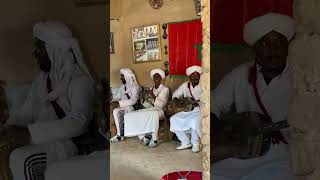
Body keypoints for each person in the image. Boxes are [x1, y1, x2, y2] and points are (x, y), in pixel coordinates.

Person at [1, 21, 94, 180]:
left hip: (64, 144)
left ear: (53, 49)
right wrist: (6, 121)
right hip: (38, 141)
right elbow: (26, 114)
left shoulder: (80, 80)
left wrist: (29, 133)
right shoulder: (42, 80)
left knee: (22, 160)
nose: (35, 53)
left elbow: (79, 122)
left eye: (39, 47)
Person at [211, 13, 298, 180]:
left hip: (288, 154)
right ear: (255, 49)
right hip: (247, 152)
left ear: (287, 46)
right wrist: (223, 130)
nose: (274, 50)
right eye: (265, 43)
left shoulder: (301, 76)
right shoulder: (240, 74)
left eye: (279, 42)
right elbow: (212, 104)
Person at [124, 69, 169, 148]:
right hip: (150, 109)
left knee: (153, 114)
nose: (156, 78)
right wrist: (143, 98)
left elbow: (161, 104)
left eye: (158, 77)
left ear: (161, 78)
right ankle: (143, 137)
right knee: (132, 115)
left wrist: (152, 95)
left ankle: (155, 139)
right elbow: (148, 104)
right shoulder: (151, 88)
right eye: (154, 77)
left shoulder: (165, 89)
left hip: (160, 111)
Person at [170, 65, 202, 153]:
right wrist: (177, 100)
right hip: (188, 110)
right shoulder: (185, 85)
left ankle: (195, 143)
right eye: (193, 75)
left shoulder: (204, 84)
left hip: (200, 110)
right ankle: (185, 142)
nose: (195, 77)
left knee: (194, 121)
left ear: (200, 76)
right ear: (189, 76)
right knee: (173, 119)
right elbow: (175, 94)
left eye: (197, 75)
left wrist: (198, 102)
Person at [110, 68, 140, 143]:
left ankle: (120, 135)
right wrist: (112, 100)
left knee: (117, 111)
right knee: (112, 108)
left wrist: (119, 104)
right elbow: (118, 97)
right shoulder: (123, 87)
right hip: (123, 106)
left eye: (122, 76)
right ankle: (113, 131)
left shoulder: (134, 87)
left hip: (131, 107)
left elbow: (134, 101)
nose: (121, 78)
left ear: (127, 76)